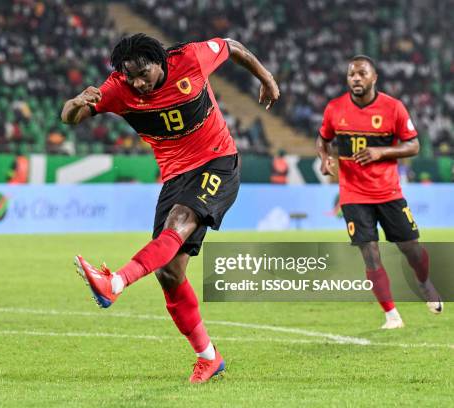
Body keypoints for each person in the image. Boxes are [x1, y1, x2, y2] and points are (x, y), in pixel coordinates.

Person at [61, 33, 279, 383]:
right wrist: (76, 102)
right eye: (129, 75)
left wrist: (266, 78)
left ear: (160, 62)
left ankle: (115, 282)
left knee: (179, 223)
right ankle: (208, 357)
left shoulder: (191, 59)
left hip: (217, 162)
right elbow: (70, 118)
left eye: (142, 73)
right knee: (169, 273)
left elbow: (233, 46)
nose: (137, 82)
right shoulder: (118, 89)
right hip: (175, 177)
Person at [316, 56, 443, 329]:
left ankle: (424, 283)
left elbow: (413, 145)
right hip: (353, 194)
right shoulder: (335, 108)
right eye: (352, 74)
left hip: (388, 192)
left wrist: (381, 151)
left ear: (374, 78)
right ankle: (391, 315)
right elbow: (323, 139)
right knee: (370, 253)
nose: (356, 78)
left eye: (362, 73)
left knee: (412, 250)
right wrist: (324, 158)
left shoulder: (393, 108)